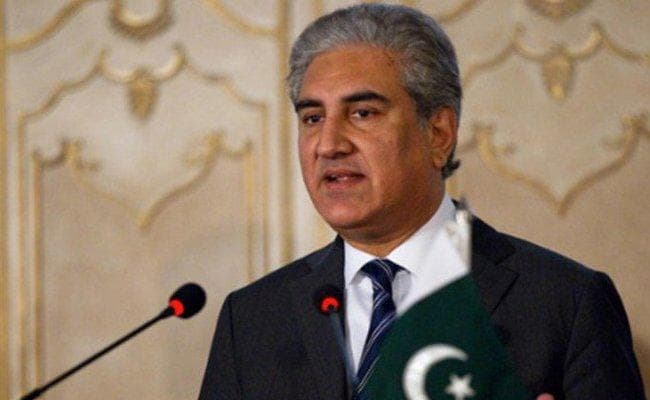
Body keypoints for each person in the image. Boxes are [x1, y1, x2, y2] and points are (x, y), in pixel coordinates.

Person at [198, 4, 645, 399]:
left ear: (438, 133)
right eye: (313, 118)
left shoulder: (565, 302)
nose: (329, 144)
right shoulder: (253, 317)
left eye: (363, 113)